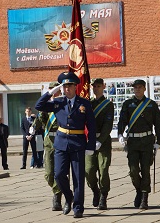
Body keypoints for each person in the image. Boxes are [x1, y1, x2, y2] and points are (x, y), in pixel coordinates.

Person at [35, 72, 96, 218]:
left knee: (78, 177)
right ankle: (69, 197)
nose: (67, 89)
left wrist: (91, 145)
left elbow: (91, 125)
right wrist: (51, 92)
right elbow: (39, 105)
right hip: (61, 143)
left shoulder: (84, 103)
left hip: (78, 142)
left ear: (76, 87)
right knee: (59, 174)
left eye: (70, 86)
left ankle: (78, 207)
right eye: (65, 86)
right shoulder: (58, 102)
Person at [118, 79, 160, 210]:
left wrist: (158, 142)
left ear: (144, 89)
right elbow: (122, 121)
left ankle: (144, 197)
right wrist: (120, 134)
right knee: (133, 171)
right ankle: (139, 189)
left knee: (145, 170)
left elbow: (158, 125)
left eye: (140, 87)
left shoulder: (151, 104)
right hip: (132, 142)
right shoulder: (128, 104)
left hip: (147, 141)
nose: (137, 89)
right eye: (135, 87)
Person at [29, 82, 63, 211]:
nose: (53, 92)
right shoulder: (46, 106)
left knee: (59, 172)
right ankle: (57, 190)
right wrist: (32, 128)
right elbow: (39, 119)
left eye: (55, 90)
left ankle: (57, 196)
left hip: (61, 139)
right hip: (49, 141)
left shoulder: (62, 104)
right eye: (50, 90)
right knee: (48, 173)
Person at [85, 78, 114, 210]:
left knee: (103, 170)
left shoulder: (108, 105)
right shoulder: (87, 104)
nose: (96, 88)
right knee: (89, 170)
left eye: (98, 86)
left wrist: (100, 140)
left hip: (103, 142)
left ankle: (103, 196)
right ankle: (95, 190)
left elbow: (108, 126)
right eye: (94, 86)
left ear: (103, 87)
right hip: (89, 141)